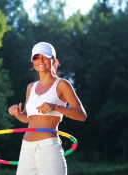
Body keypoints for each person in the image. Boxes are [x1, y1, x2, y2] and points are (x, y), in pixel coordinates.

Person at [8, 42, 87, 175]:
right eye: (36, 57)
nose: (40, 61)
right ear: (33, 61)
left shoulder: (62, 84)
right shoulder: (30, 87)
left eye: (45, 57)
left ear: (53, 60)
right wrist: (16, 113)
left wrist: (56, 107)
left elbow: (81, 115)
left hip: (48, 147)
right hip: (27, 148)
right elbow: (27, 118)